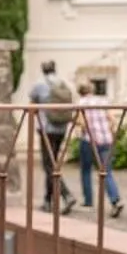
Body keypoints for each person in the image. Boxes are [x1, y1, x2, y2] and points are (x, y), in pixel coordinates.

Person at [28, 59, 76, 214]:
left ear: (43, 70)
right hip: (61, 128)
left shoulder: (39, 84)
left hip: (46, 129)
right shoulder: (63, 83)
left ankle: (66, 195)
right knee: (53, 164)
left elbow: (32, 103)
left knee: (49, 166)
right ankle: (47, 201)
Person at [75, 76, 123, 217]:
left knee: (85, 170)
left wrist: (81, 129)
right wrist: (109, 131)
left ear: (80, 91)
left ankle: (88, 201)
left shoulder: (81, 103)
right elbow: (113, 119)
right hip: (106, 140)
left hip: (89, 140)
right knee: (106, 171)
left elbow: (82, 122)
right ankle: (115, 200)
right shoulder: (102, 100)